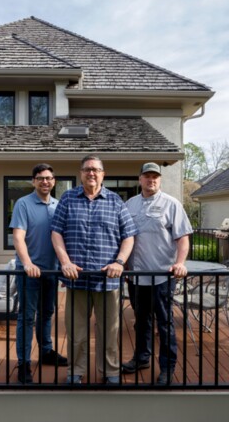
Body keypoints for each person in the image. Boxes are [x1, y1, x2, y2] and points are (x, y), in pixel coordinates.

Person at [51, 155, 137, 384]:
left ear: (103, 174)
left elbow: (128, 236)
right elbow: (56, 232)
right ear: (81, 173)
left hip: (107, 280)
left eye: (96, 170)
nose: (91, 173)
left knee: (109, 330)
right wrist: (65, 262)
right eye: (87, 169)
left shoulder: (115, 201)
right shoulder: (68, 198)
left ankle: (110, 372)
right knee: (76, 331)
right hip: (76, 278)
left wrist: (119, 262)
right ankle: (75, 371)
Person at [122, 162, 193, 385]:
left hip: (162, 275)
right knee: (141, 321)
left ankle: (167, 367)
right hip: (136, 276)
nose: (151, 180)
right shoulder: (129, 205)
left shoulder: (171, 204)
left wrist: (180, 263)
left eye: (155, 176)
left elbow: (183, 238)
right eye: (147, 176)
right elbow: (124, 237)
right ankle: (142, 357)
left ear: (159, 180)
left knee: (165, 323)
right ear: (139, 179)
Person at [10, 163, 67, 384]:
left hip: (51, 272)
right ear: (33, 181)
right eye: (41, 178)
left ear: (54, 181)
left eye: (49, 178)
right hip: (29, 273)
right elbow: (18, 237)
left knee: (47, 314)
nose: (45, 181)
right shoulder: (23, 204)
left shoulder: (58, 205)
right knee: (26, 317)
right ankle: (24, 363)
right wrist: (27, 264)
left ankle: (46, 351)